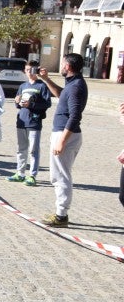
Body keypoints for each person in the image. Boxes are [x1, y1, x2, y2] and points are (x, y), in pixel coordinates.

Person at [37, 53, 88, 227]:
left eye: (62, 63)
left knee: (60, 176)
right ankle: (61, 212)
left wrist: (61, 141)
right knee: (59, 174)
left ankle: (61, 215)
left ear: (67, 66)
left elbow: (75, 116)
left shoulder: (76, 87)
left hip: (66, 134)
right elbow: (61, 94)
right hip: (65, 133)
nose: (61, 66)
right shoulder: (72, 84)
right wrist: (46, 80)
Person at [7, 60, 51, 186]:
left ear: (36, 70)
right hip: (21, 121)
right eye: (27, 70)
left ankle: (32, 175)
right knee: (21, 149)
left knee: (33, 150)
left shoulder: (41, 86)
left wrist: (32, 104)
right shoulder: (23, 86)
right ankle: (20, 173)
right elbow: (18, 103)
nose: (29, 73)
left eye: (32, 70)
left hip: (34, 122)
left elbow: (47, 103)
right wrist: (17, 101)